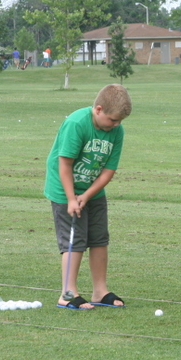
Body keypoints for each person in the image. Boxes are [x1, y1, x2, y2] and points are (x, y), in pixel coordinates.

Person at [44, 84, 132, 310]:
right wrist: (72, 198)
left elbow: (108, 171)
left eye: (119, 122)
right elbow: (64, 164)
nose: (115, 125)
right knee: (75, 241)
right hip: (64, 190)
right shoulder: (77, 123)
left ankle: (100, 291)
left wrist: (88, 195)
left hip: (93, 190)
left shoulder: (116, 132)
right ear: (99, 109)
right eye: (112, 120)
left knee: (99, 238)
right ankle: (67, 293)